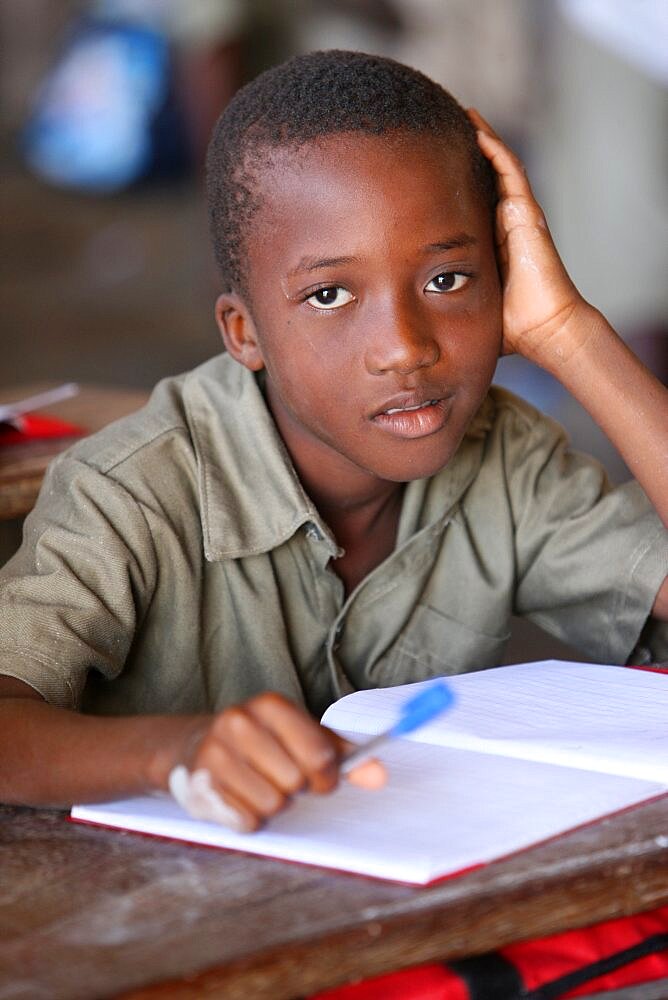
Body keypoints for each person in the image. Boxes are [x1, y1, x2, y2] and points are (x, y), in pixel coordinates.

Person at [0, 51, 666, 832]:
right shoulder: (131, 491)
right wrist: (171, 752)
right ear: (244, 333)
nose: (404, 348)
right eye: (329, 294)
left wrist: (569, 333)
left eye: (447, 279)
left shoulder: (507, 457)